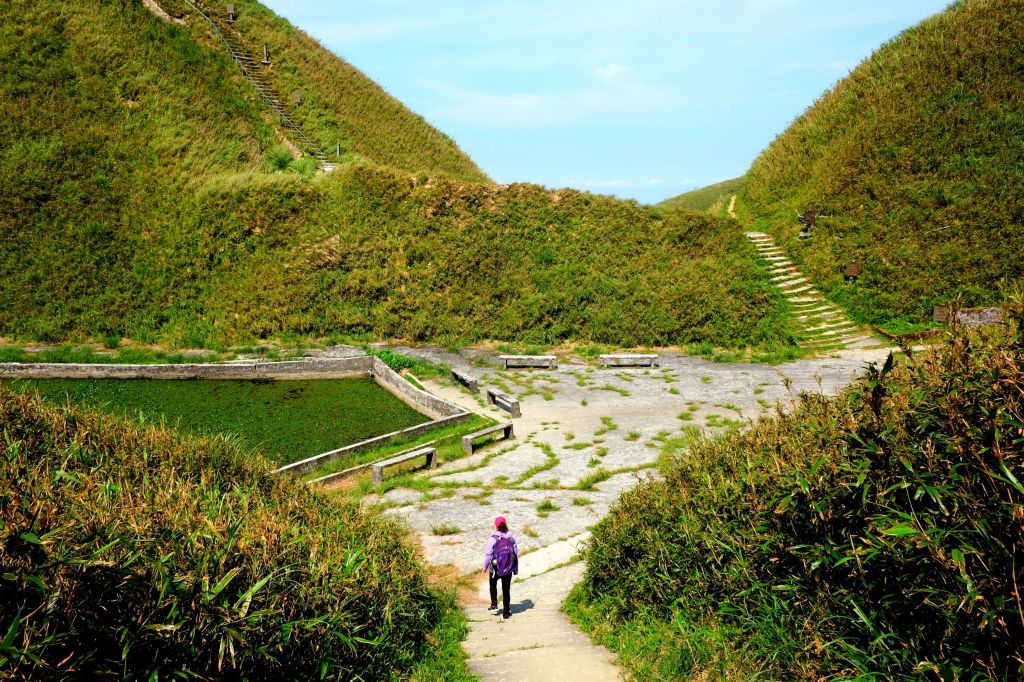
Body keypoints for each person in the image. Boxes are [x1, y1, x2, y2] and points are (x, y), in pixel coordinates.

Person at [483, 515, 518, 620]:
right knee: (506, 589)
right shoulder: (512, 537)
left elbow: (488, 555)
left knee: (493, 584)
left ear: (496, 526)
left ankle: (494, 605)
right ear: (506, 524)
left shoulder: (492, 539)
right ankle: (506, 612)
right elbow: (515, 554)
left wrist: (485, 567)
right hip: (508, 567)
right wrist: (515, 568)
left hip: (495, 567)